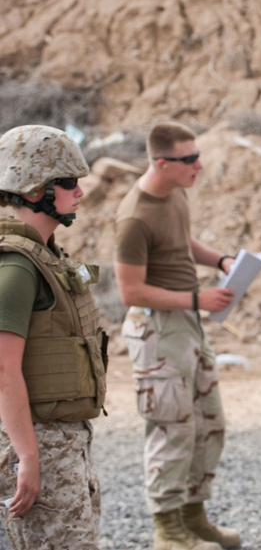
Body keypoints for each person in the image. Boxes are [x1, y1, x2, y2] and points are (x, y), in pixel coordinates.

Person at [114, 121, 240, 550]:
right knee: (171, 429)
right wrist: (196, 298)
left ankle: (193, 516)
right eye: (189, 160)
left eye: (197, 155)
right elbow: (130, 292)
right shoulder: (133, 216)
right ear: (162, 163)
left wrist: (221, 259)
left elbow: (181, 243)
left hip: (186, 323)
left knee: (209, 424)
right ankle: (167, 530)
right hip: (157, 330)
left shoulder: (174, 193)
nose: (199, 165)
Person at [0, 125, 108, 549]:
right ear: (32, 192)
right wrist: (27, 457)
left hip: (63, 441)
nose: (79, 192)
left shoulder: (46, 257)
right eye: (67, 183)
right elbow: (4, 371)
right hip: (37, 439)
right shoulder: (17, 268)